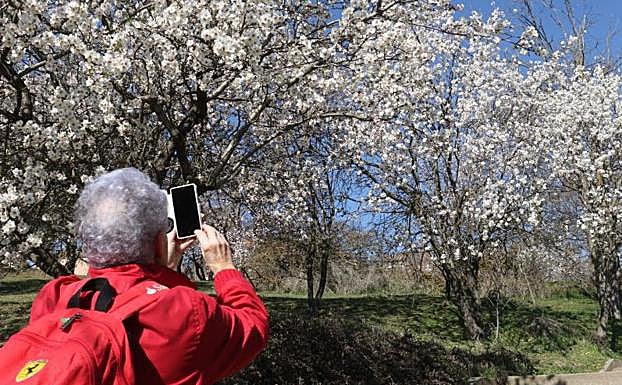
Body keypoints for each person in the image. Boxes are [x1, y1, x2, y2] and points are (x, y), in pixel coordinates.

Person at [29, 168, 269, 385]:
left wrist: (163, 270)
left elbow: (128, 296)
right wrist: (223, 267)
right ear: (156, 241)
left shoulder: (54, 297)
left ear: (89, 239)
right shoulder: (185, 311)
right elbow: (253, 327)